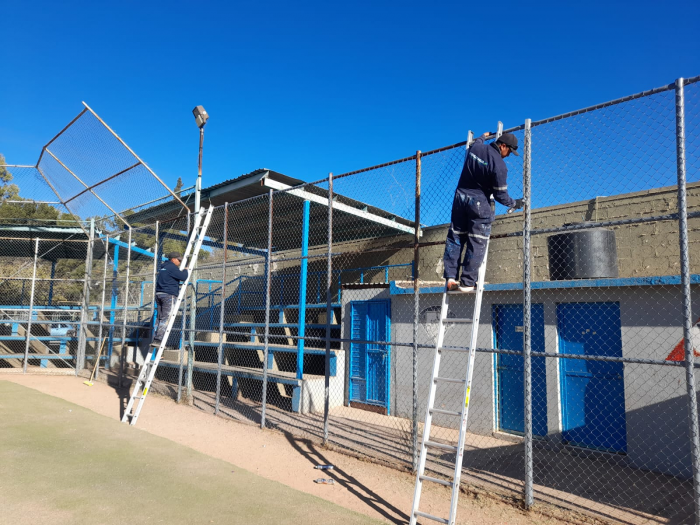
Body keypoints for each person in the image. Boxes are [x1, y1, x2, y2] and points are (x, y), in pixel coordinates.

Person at [443, 132, 524, 292]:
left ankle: (451, 278)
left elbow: (477, 142)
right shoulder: (500, 166)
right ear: (503, 146)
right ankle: (467, 282)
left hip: (460, 198)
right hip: (479, 203)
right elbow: (500, 195)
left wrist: (483, 136)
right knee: (477, 240)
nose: (508, 155)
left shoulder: (476, 148)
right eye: (509, 151)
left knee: (455, 237)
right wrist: (515, 203)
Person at [151, 252, 188, 347]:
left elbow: (170, 278)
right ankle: (158, 339)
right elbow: (183, 277)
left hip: (159, 294)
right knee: (166, 317)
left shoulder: (163, 267)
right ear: (173, 259)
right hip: (168, 295)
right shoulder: (172, 267)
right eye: (178, 260)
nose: (179, 262)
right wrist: (185, 270)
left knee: (159, 318)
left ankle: (154, 338)